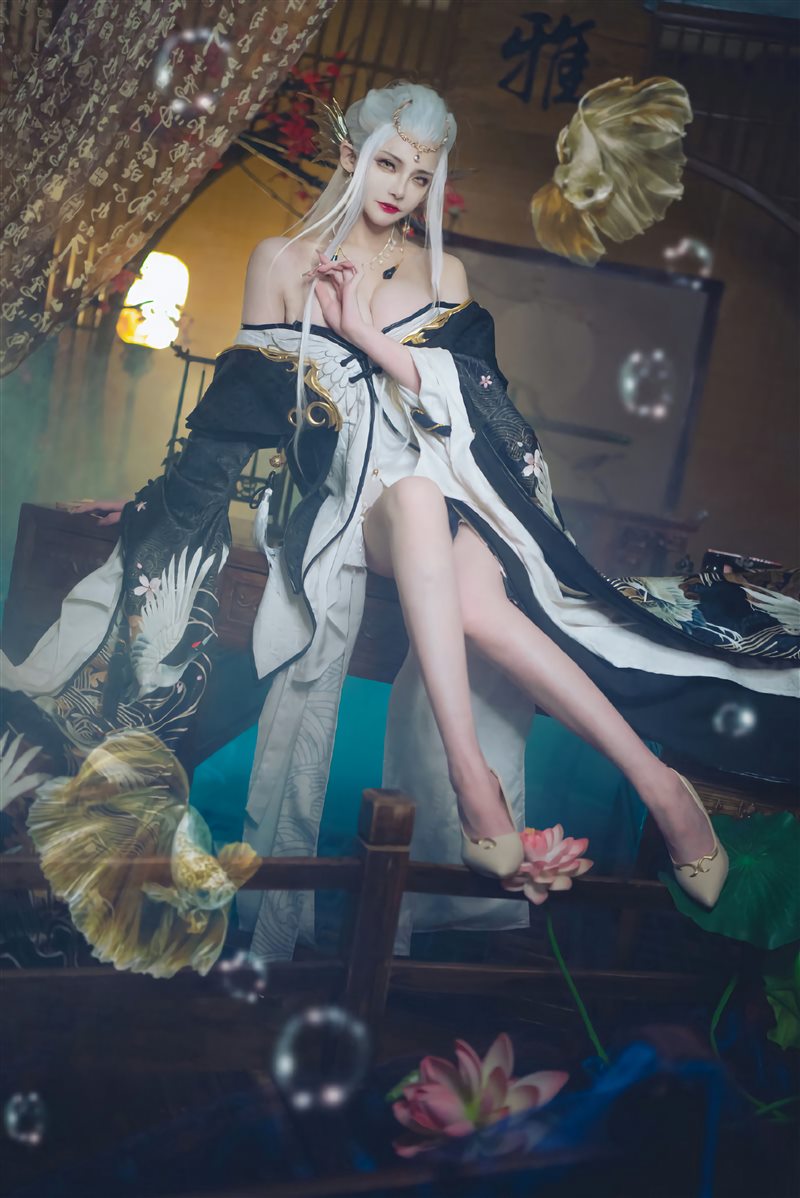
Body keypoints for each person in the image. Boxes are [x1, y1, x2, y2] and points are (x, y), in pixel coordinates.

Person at [2, 80, 798, 974]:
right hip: (348, 499)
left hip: (463, 488)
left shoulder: (443, 275)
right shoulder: (281, 259)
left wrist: (363, 331)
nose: (401, 190)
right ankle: (479, 773)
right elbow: (244, 410)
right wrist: (157, 497)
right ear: (350, 155)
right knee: (415, 503)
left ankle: (652, 786)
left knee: (475, 591)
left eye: (420, 177)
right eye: (387, 165)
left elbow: (483, 407)